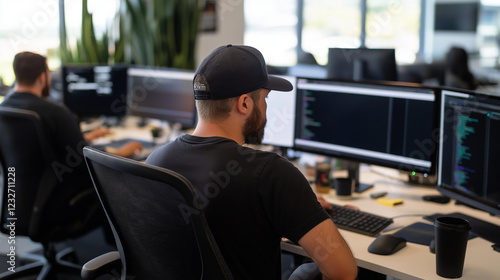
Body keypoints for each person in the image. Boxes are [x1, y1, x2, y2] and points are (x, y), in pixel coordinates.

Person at [146, 45, 358, 280]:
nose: (266, 109)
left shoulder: (156, 160)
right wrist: (302, 205)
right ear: (245, 103)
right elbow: (343, 272)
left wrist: (293, 204)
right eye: (265, 99)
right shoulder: (272, 174)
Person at [0, 51, 142, 233]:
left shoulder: (4, 109)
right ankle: (115, 256)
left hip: (18, 202)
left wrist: (83, 138)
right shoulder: (54, 111)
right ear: (43, 77)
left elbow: (37, 148)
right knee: (115, 183)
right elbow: (84, 158)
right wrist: (123, 152)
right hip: (55, 205)